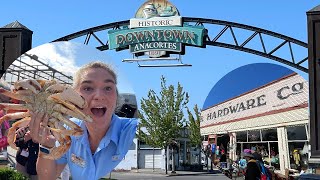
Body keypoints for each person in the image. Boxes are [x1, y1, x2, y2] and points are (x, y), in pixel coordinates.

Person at [30, 61, 138, 180]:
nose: (99, 96)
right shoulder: (66, 131)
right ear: (72, 98)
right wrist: (46, 146)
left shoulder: (132, 130)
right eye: (87, 88)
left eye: (108, 88)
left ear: (116, 97)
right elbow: (48, 177)